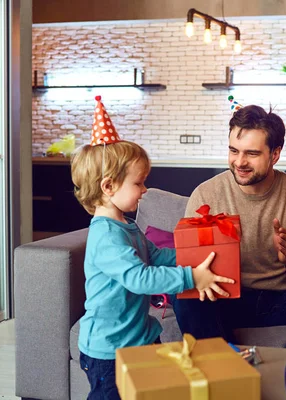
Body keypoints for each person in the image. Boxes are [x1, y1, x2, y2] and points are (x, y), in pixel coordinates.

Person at [72, 96, 234, 400]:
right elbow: (140, 278)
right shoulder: (106, 237)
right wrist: (190, 277)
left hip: (140, 338)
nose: (145, 191)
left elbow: (156, 255)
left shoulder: (126, 225)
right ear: (108, 187)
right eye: (139, 183)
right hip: (109, 351)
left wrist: (195, 257)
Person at [172, 100, 286, 351]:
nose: (239, 162)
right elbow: (191, 265)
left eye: (252, 153)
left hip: (283, 300)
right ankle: (221, 367)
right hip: (226, 300)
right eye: (234, 151)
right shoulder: (206, 195)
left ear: (275, 154)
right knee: (184, 289)